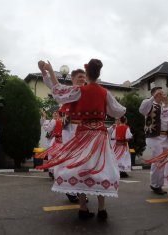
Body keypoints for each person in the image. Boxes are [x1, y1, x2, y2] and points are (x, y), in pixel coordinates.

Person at [37, 59, 126, 220]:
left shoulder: (79, 91)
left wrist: (50, 70)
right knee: (101, 169)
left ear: (87, 74)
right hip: (99, 135)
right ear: (99, 74)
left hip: (83, 135)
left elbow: (58, 91)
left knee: (81, 169)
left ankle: (83, 208)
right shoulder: (105, 92)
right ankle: (102, 209)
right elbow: (119, 112)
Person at [39, 65, 87, 203]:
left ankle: (78, 191)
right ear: (72, 79)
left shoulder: (85, 91)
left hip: (82, 132)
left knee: (81, 163)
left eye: (84, 77)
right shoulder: (68, 91)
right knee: (69, 162)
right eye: (79, 77)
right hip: (68, 132)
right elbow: (53, 86)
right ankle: (71, 191)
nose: (82, 79)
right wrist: (45, 72)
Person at [139, 86, 168, 195]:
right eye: (160, 93)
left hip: (165, 137)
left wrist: (166, 104)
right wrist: (153, 97)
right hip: (154, 137)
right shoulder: (148, 103)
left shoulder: (165, 106)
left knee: (163, 162)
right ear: (155, 94)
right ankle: (155, 185)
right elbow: (142, 110)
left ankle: (158, 184)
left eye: (163, 93)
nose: (163, 94)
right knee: (157, 160)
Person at [38, 111, 63, 179]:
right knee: (53, 156)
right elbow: (43, 124)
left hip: (58, 140)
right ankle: (52, 172)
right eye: (54, 113)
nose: (55, 114)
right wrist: (44, 117)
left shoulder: (58, 121)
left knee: (55, 156)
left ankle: (56, 172)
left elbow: (47, 128)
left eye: (56, 113)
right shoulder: (51, 121)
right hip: (53, 141)